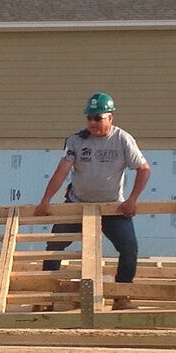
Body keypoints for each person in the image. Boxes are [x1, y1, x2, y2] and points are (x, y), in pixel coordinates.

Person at [35, 92, 151, 310]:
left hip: (112, 206)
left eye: (98, 118)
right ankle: (46, 298)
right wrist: (46, 200)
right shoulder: (77, 140)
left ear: (110, 118)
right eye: (89, 118)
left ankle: (122, 296)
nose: (93, 123)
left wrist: (132, 200)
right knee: (53, 247)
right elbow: (61, 171)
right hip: (78, 203)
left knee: (129, 248)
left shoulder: (122, 139)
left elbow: (143, 170)